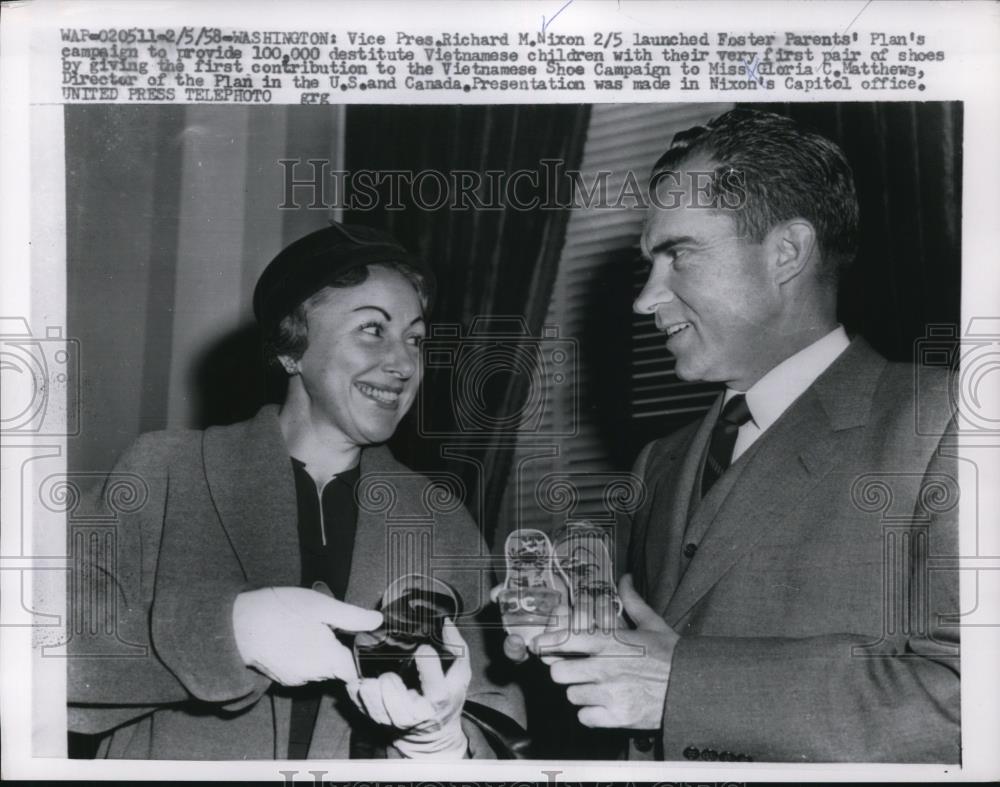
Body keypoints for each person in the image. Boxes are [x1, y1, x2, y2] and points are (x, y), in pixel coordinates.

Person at [521, 109, 960, 762]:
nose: (645, 299)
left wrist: (682, 683)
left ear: (785, 253)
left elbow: (966, 702)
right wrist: (567, 620)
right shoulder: (658, 462)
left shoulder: (947, 421)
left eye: (679, 256)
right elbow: (651, 644)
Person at [67, 222, 521, 759]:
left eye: (415, 339)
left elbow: (500, 711)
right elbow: (49, 656)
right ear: (291, 350)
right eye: (372, 329)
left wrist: (446, 744)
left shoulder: (439, 516)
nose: (403, 363)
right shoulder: (165, 471)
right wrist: (229, 634)